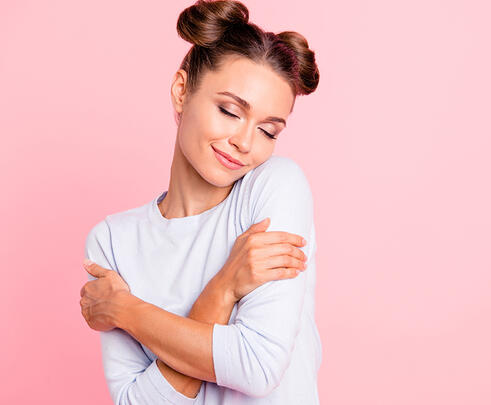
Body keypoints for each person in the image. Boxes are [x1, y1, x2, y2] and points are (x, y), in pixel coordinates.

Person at [79, 0, 321, 403]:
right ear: (181, 91)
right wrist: (224, 290)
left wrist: (125, 311)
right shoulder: (112, 241)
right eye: (229, 111)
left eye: (268, 130)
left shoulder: (275, 187)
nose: (245, 142)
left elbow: (258, 367)